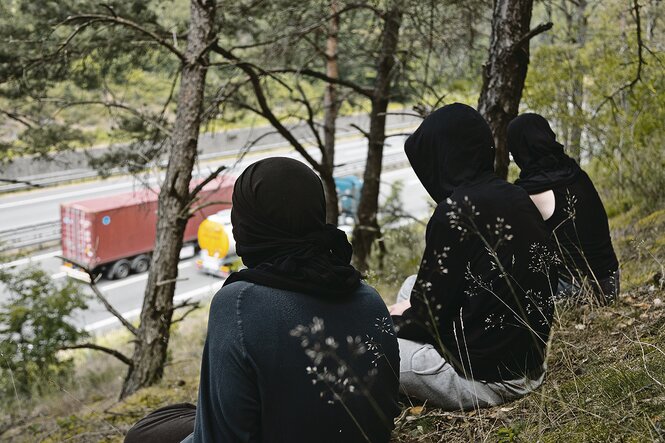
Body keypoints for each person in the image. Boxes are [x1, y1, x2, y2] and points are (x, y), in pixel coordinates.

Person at [125, 157, 400, 443]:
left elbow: (221, 438)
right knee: (173, 416)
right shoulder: (369, 298)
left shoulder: (239, 304)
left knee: (143, 434)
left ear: (247, 222)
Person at [389, 103, 557, 411]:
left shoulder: (452, 213)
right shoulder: (515, 194)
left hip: (485, 381)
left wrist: (391, 321)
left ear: (441, 158)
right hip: (531, 365)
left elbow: (428, 320)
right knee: (411, 284)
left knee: (371, 348)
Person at [507, 113, 620, 304]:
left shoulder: (533, 190)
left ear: (519, 148)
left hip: (582, 291)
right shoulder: (575, 173)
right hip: (611, 282)